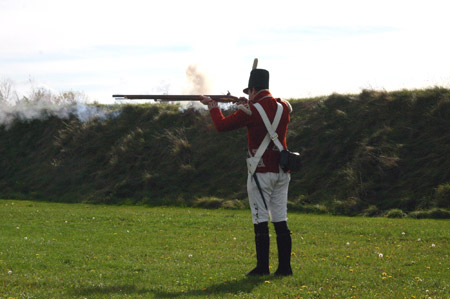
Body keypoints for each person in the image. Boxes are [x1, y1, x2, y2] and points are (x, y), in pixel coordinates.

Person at [199, 68, 293, 276]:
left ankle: (262, 268)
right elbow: (266, 115)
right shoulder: (284, 106)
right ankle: (285, 267)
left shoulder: (251, 109)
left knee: (260, 218)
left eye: (249, 92)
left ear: (252, 89)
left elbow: (221, 126)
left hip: (261, 171)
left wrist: (213, 107)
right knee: (280, 219)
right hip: (282, 170)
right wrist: (246, 105)